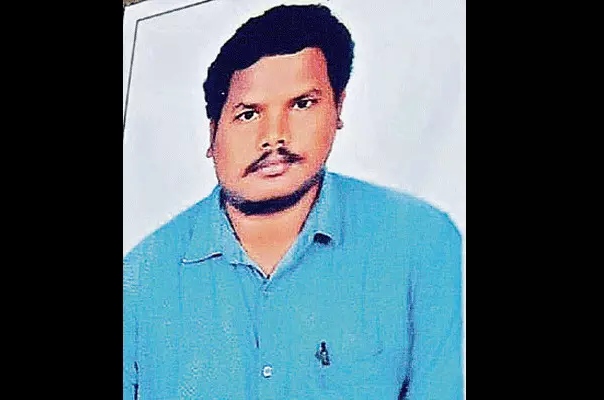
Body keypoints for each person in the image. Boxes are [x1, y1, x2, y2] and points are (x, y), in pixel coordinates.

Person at [123, 4, 463, 399]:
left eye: (301, 104)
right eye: (248, 114)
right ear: (212, 133)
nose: (274, 137)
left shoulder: (422, 244)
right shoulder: (140, 280)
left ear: (338, 107)